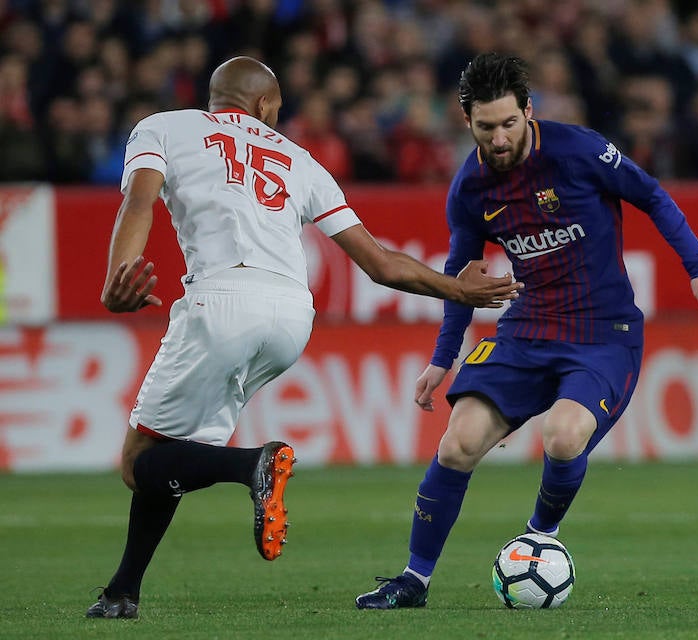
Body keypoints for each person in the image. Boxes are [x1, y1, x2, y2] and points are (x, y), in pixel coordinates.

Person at [86, 55, 522, 619]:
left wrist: (117, 275)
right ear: (265, 106)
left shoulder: (164, 126)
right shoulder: (300, 160)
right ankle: (124, 591)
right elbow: (381, 264)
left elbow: (139, 201)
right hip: (293, 315)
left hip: (220, 300)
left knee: (139, 462)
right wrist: (458, 291)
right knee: (174, 454)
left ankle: (254, 467)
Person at [355, 52, 698, 609]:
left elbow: (652, 195)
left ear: (528, 112)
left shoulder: (580, 151)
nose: (499, 138)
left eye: (509, 123)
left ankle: (538, 540)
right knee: (458, 442)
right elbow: (461, 280)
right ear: (467, 121)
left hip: (604, 332)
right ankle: (413, 581)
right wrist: (443, 357)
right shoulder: (469, 189)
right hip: (527, 327)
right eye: (486, 128)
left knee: (562, 435)